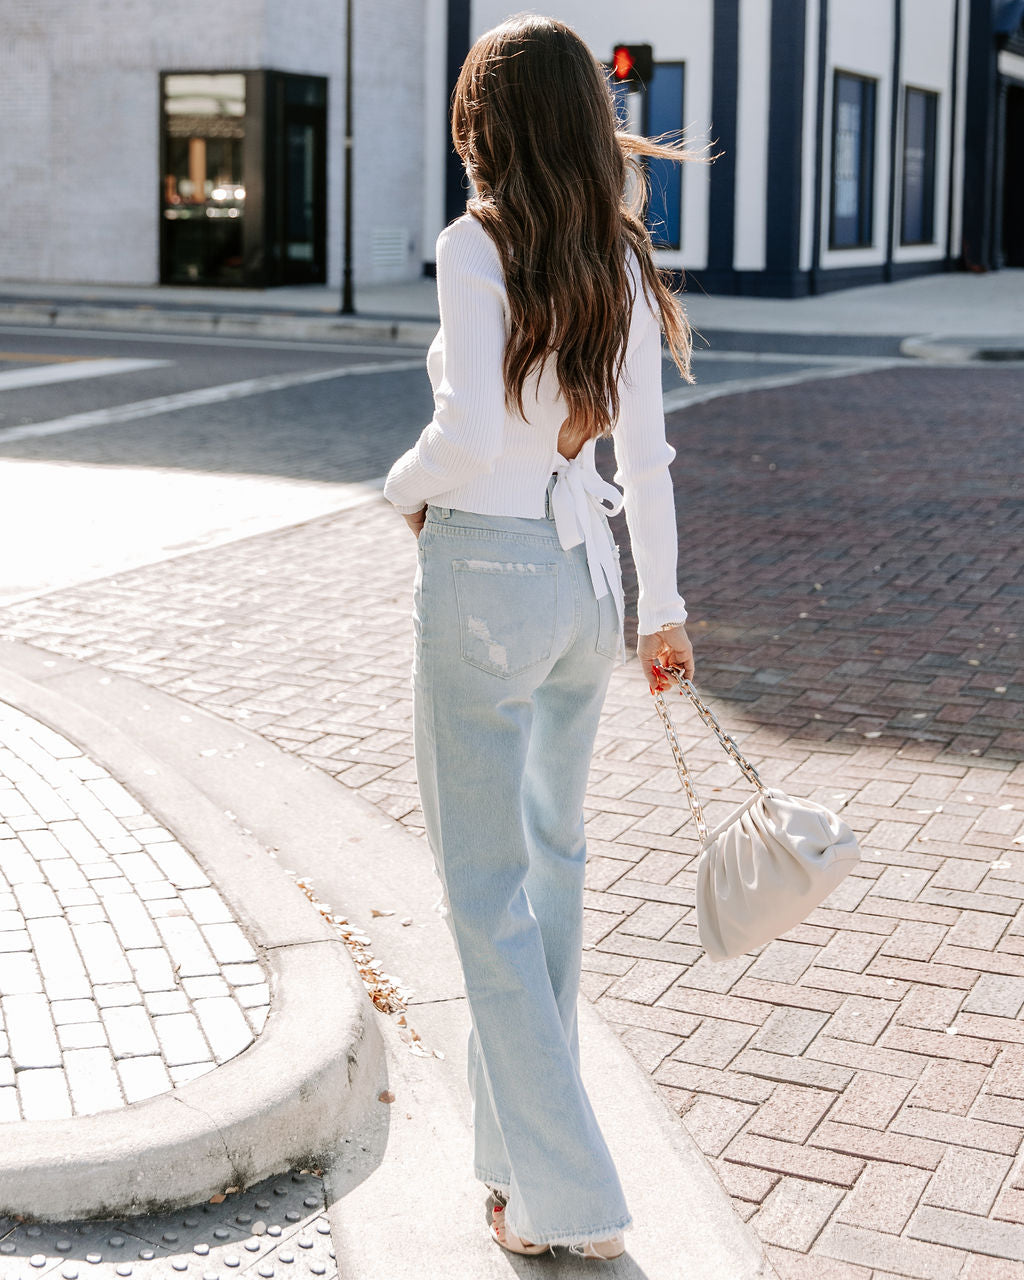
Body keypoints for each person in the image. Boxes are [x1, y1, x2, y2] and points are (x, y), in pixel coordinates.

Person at [383, 14, 696, 1260]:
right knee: (550, 872)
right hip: (588, 584)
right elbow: (649, 455)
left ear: (487, 124)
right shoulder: (614, 255)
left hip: (487, 577)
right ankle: (512, 1169)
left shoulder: (476, 244)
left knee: (484, 895)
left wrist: (397, 489)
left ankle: (564, 1195)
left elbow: (462, 435)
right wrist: (661, 608)